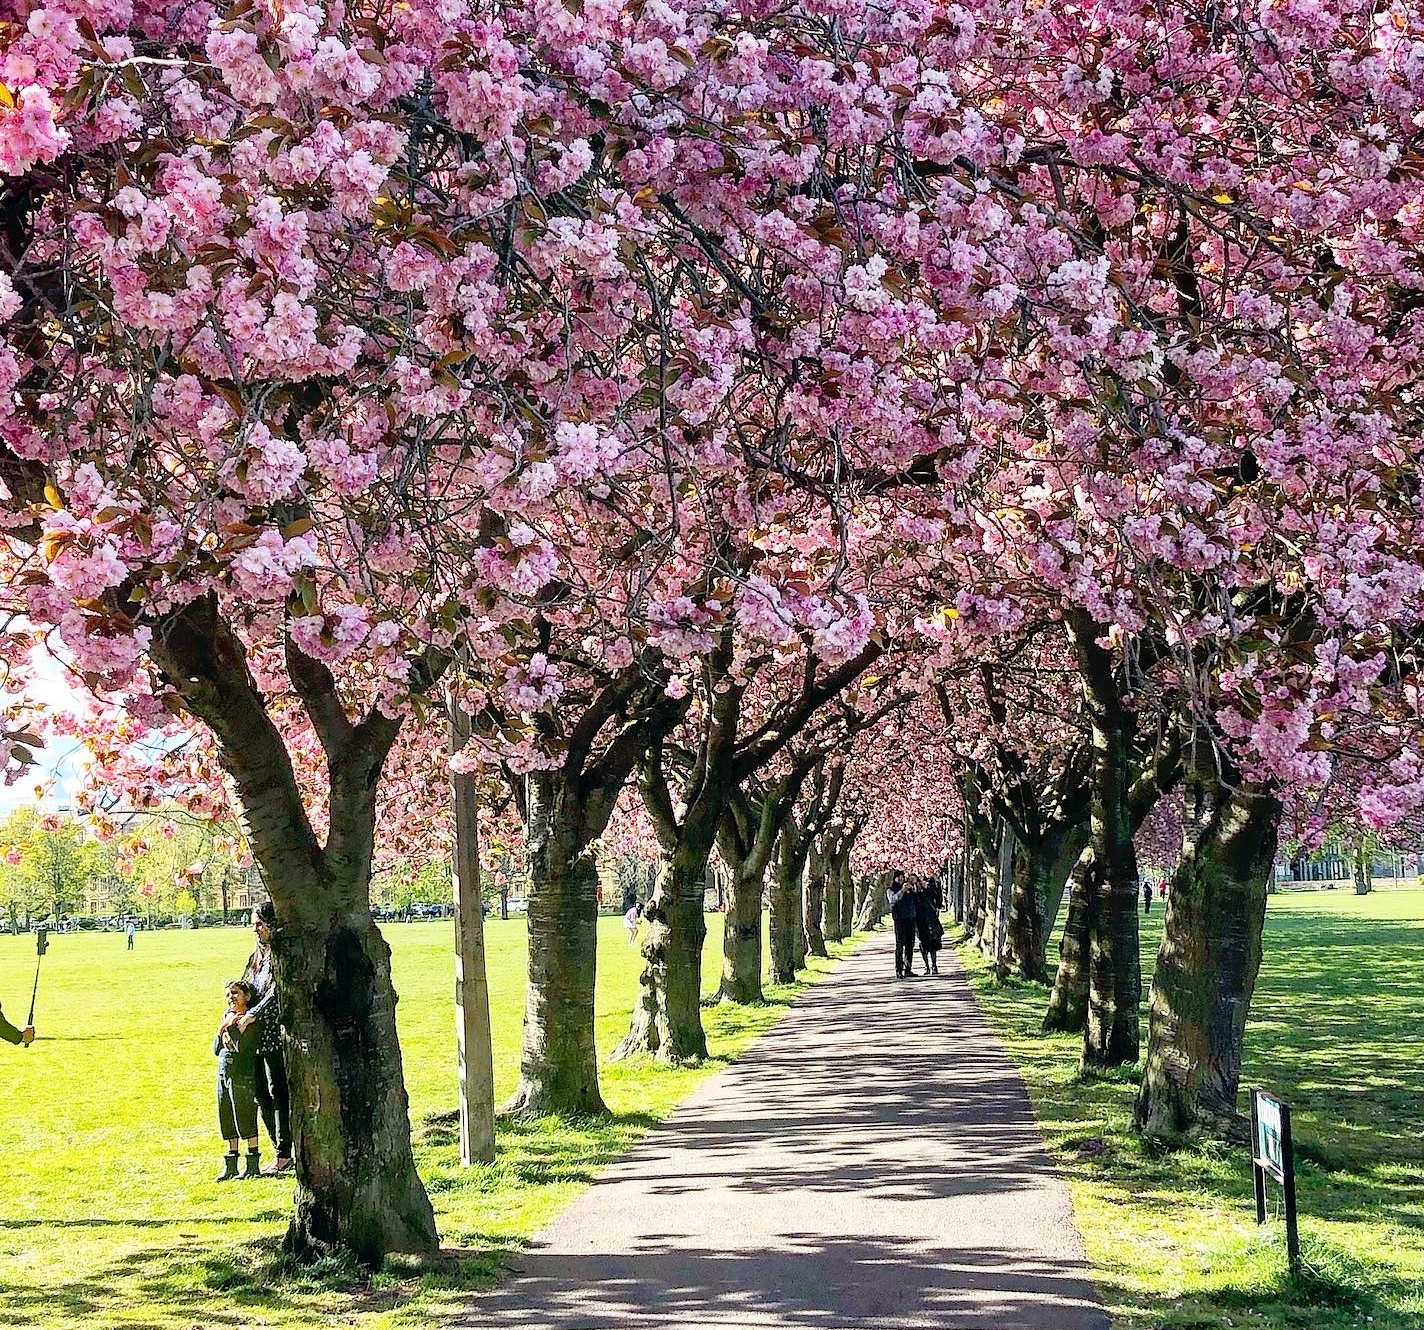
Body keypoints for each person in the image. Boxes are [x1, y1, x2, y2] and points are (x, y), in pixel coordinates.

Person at [238, 903, 293, 1174]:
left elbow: (276, 993)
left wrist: (254, 1014)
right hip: (254, 1038)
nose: (255, 930)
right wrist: (231, 1016)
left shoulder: (280, 956)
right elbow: (243, 989)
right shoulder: (255, 958)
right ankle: (278, 1149)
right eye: (253, 925)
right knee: (261, 1094)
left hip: (274, 1034)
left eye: (259, 924)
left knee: (278, 1092)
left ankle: (284, 1153)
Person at [214, 979, 262, 1180]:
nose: (231, 998)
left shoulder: (249, 1021)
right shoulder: (228, 1018)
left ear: (246, 997)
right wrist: (222, 1028)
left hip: (242, 1072)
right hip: (224, 1072)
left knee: (244, 1114)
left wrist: (229, 1029)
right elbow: (217, 1049)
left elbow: (240, 1047)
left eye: (235, 993)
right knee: (226, 1115)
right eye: (228, 994)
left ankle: (252, 1165)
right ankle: (231, 1163)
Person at [887, 871, 918, 978]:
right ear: (895, 878)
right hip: (899, 919)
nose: (900, 879)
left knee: (910, 944)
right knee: (900, 945)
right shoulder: (891, 889)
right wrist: (902, 891)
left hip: (911, 918)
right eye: (898, 877)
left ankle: (908, 968)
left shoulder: (909, 888)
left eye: (902, 877)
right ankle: (899, 969)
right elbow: (893, 900)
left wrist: (912, 886)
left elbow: (916, 897)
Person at [914, 877, 943, 974]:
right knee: (922, 943)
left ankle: (934, 965)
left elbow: (937, 899)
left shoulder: (931, 888)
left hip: (930, 918)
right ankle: (926, 966)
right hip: (919, 920)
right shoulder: (914, 893)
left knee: (933, 943)